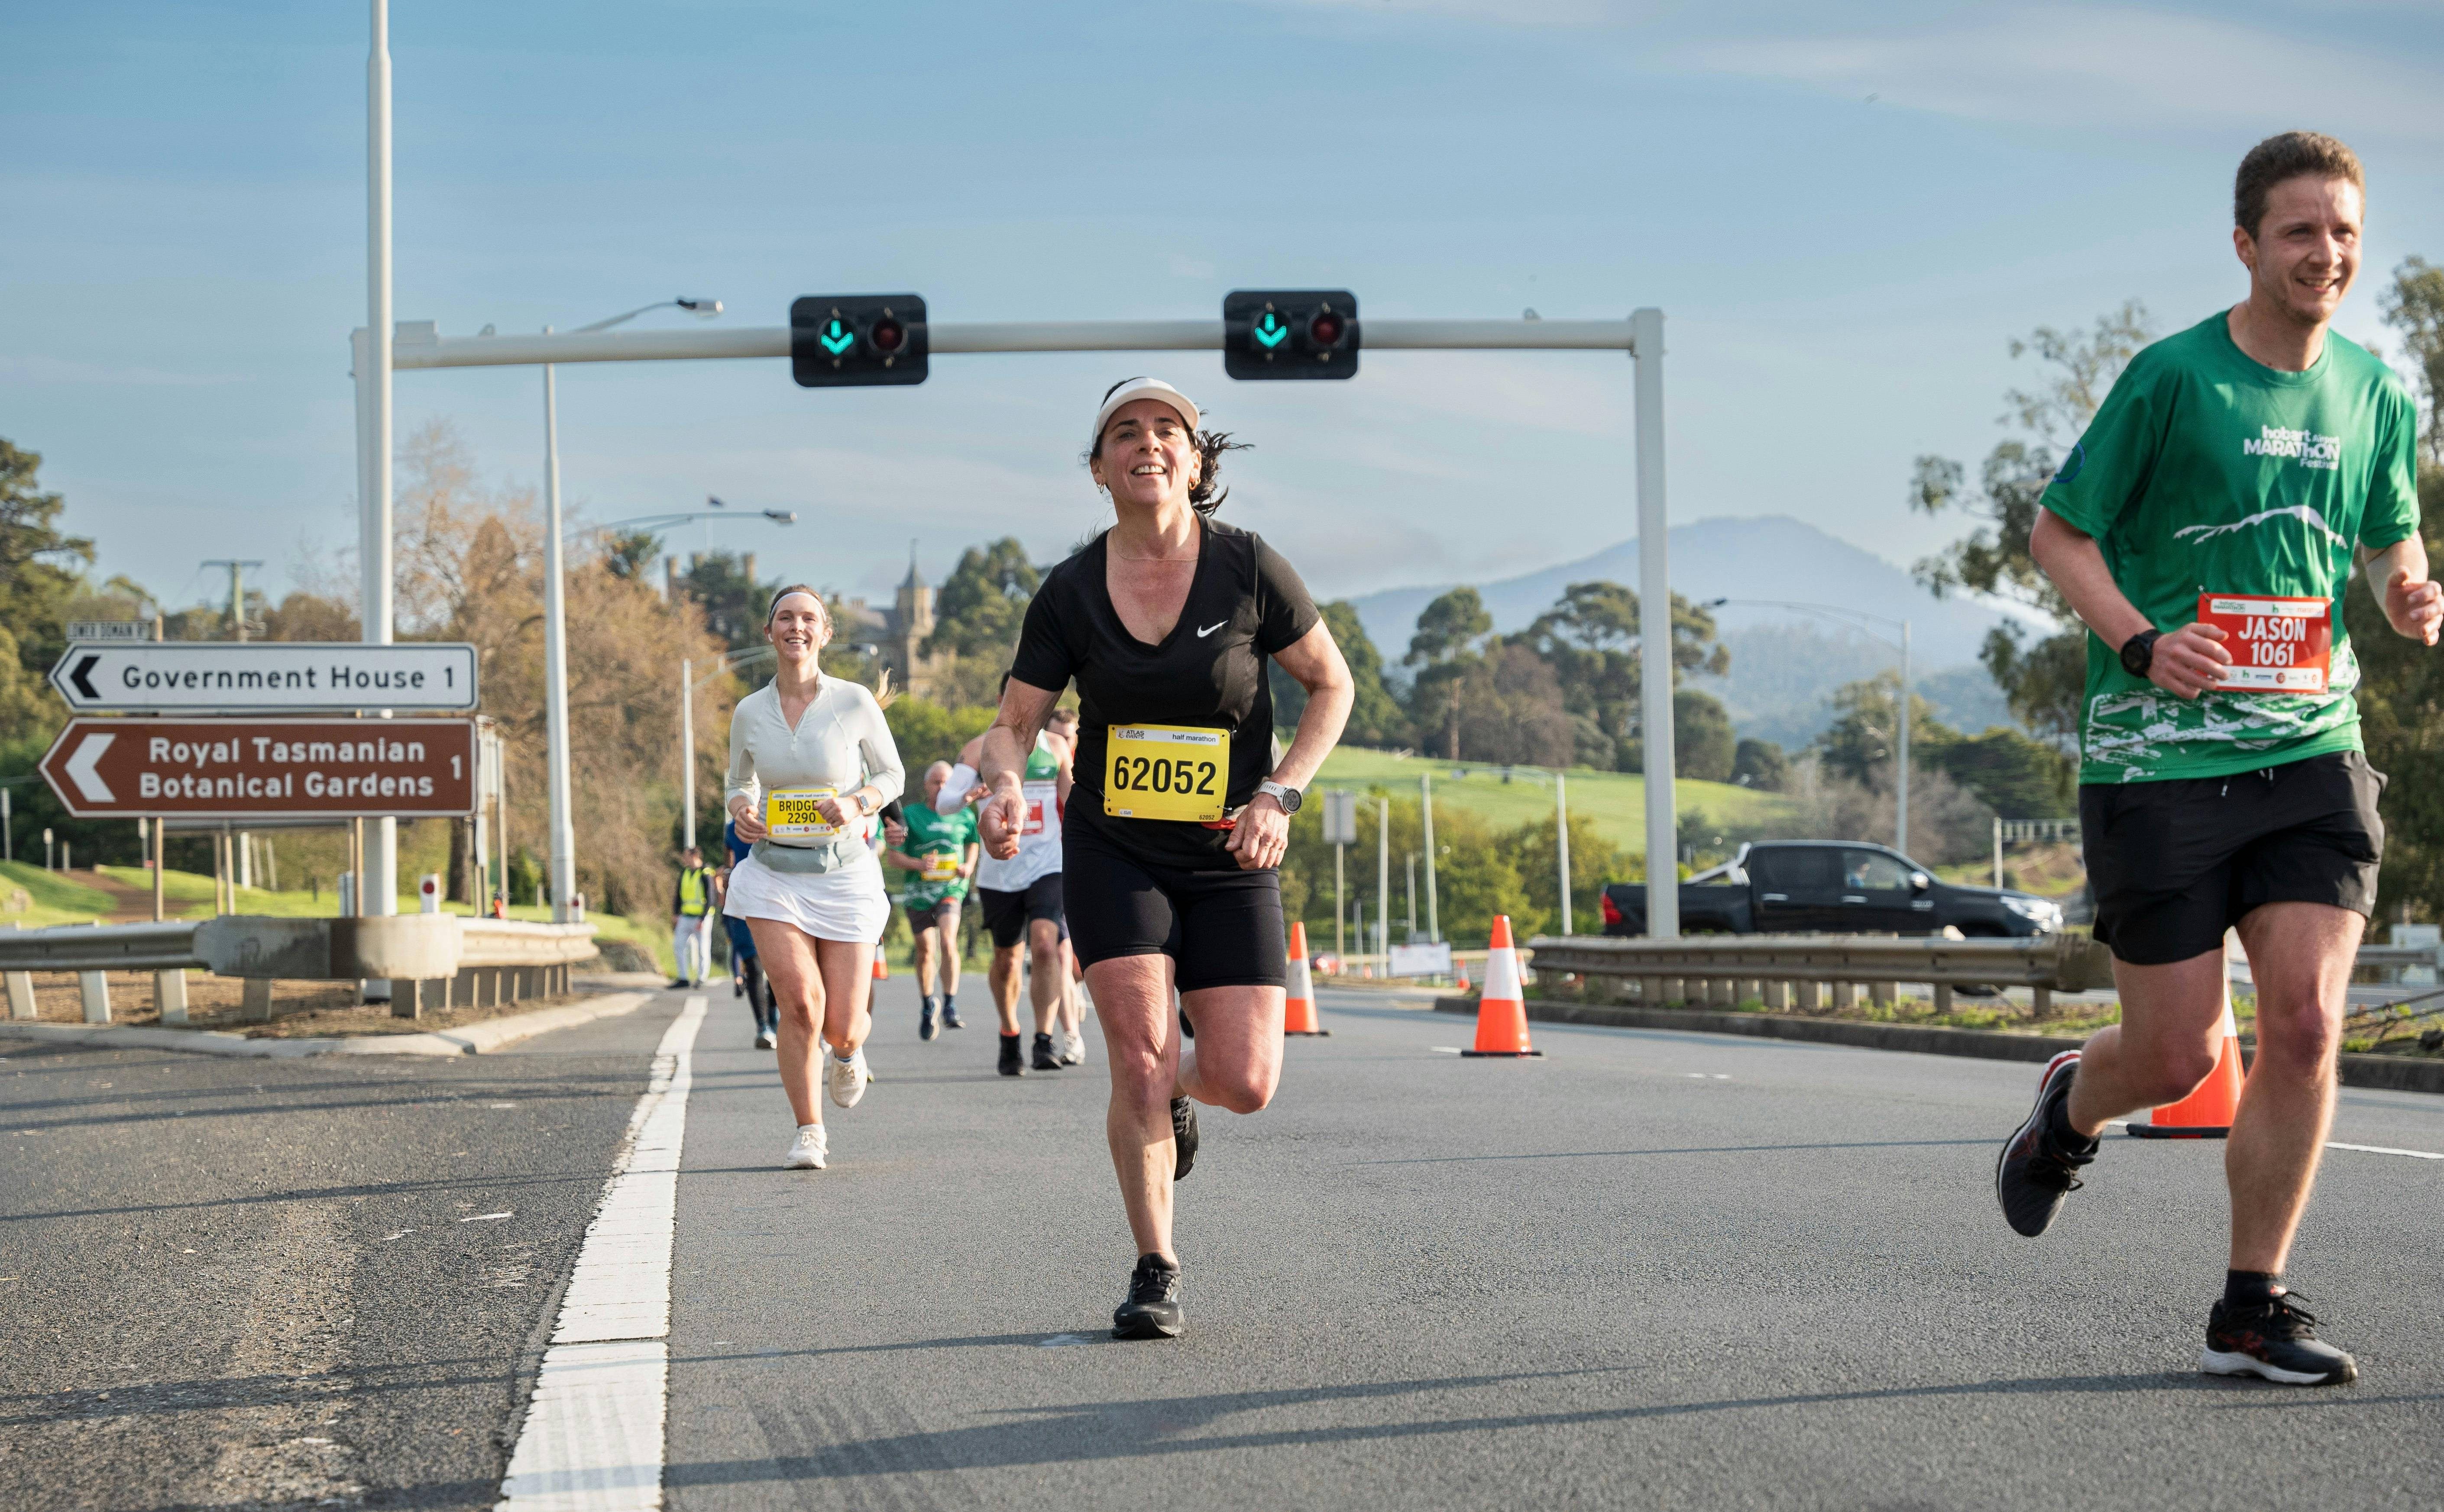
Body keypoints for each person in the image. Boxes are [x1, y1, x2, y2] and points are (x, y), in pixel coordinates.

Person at [1996, 132, 2438, 1387]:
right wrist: (2139, 642)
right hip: (2157, 758)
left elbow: (2385, 545)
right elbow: (2057, 532)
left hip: (2309, 742)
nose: (2327, 253)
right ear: (2245, 244)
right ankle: (2071, 1104)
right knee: (2180, 1054)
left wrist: (2407, 597)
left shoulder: (2374, 394)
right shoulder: (2172, 379)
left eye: (2344, 232)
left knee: (2300, 1021)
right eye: (2300, 231)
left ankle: (2253, 1300)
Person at [980, 377, 1353, 1339]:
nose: (1147, 445)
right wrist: (999, 789)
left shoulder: (1249, 567)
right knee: (1137, 1064)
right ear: (1100, 469)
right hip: (1115, 848)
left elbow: (1330, 686)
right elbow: (1014, 724)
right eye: (1124, 433)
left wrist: (1280, 792)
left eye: (1166, 433)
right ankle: (1156, 1266)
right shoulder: (1069, 589)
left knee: (1243, 1082)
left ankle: (1180, 1095)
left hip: (1232, 848)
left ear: (1196, 461)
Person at [722, 586, 907, 1171]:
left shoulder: (853, 702)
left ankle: (848, 1054)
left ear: (824, 633)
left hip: (845, 876)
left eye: (808, 619)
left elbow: (893, 774)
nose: (795, 627)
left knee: (843, 1025)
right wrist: (741, 810)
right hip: (774, 874)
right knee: (799, 1004)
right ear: (769, 631)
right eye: (785, 617)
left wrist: (859, 805)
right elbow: (737, 782)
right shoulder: (750, 711)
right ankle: (808, 1130)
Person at [939, 678, 1074, 1076]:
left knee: (1047, 946)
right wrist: (969, 795)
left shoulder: (1057, 745)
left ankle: (1044, 1039)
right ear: (1002, 701)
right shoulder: (981, 747)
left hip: (1049, 863)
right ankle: (1010, 1031)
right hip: (1000, 868)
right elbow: (946, 802)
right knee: (1007, 961)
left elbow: (1075, 799)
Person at [884, 761, 981, 1040]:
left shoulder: (964, 814)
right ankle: (928, 1004)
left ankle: (950, 1003)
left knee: (948, 941)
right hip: (919, 891)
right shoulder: (912, 815)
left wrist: (969, 866)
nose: (940, 788)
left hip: (952, 888)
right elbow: (893, 857)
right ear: (926, 785)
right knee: (925, 950)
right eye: (935, 782)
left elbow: (973, 842)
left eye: (946, 783)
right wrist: (919, 864)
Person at [723, 819, 780, 1049]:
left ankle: (774, 1013)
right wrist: (728, 874)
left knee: (778, 967)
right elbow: (729, 858)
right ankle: (763, 1026)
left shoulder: (777, 820)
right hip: (743, 901)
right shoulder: (731, 828)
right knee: (754, 966)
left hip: (775, 900)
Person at [669, 844, 716, 989]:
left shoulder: (705, 873)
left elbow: (711, 897)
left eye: (686, 856)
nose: (684, 859)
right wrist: (676, 913)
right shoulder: (685, 873)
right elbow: (678, 895)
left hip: (701, 918)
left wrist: (703, 918)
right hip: (685, 916)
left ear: (695, 856)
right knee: (679, 946)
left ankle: (702, 978)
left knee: (702, 948)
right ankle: (684, 978)